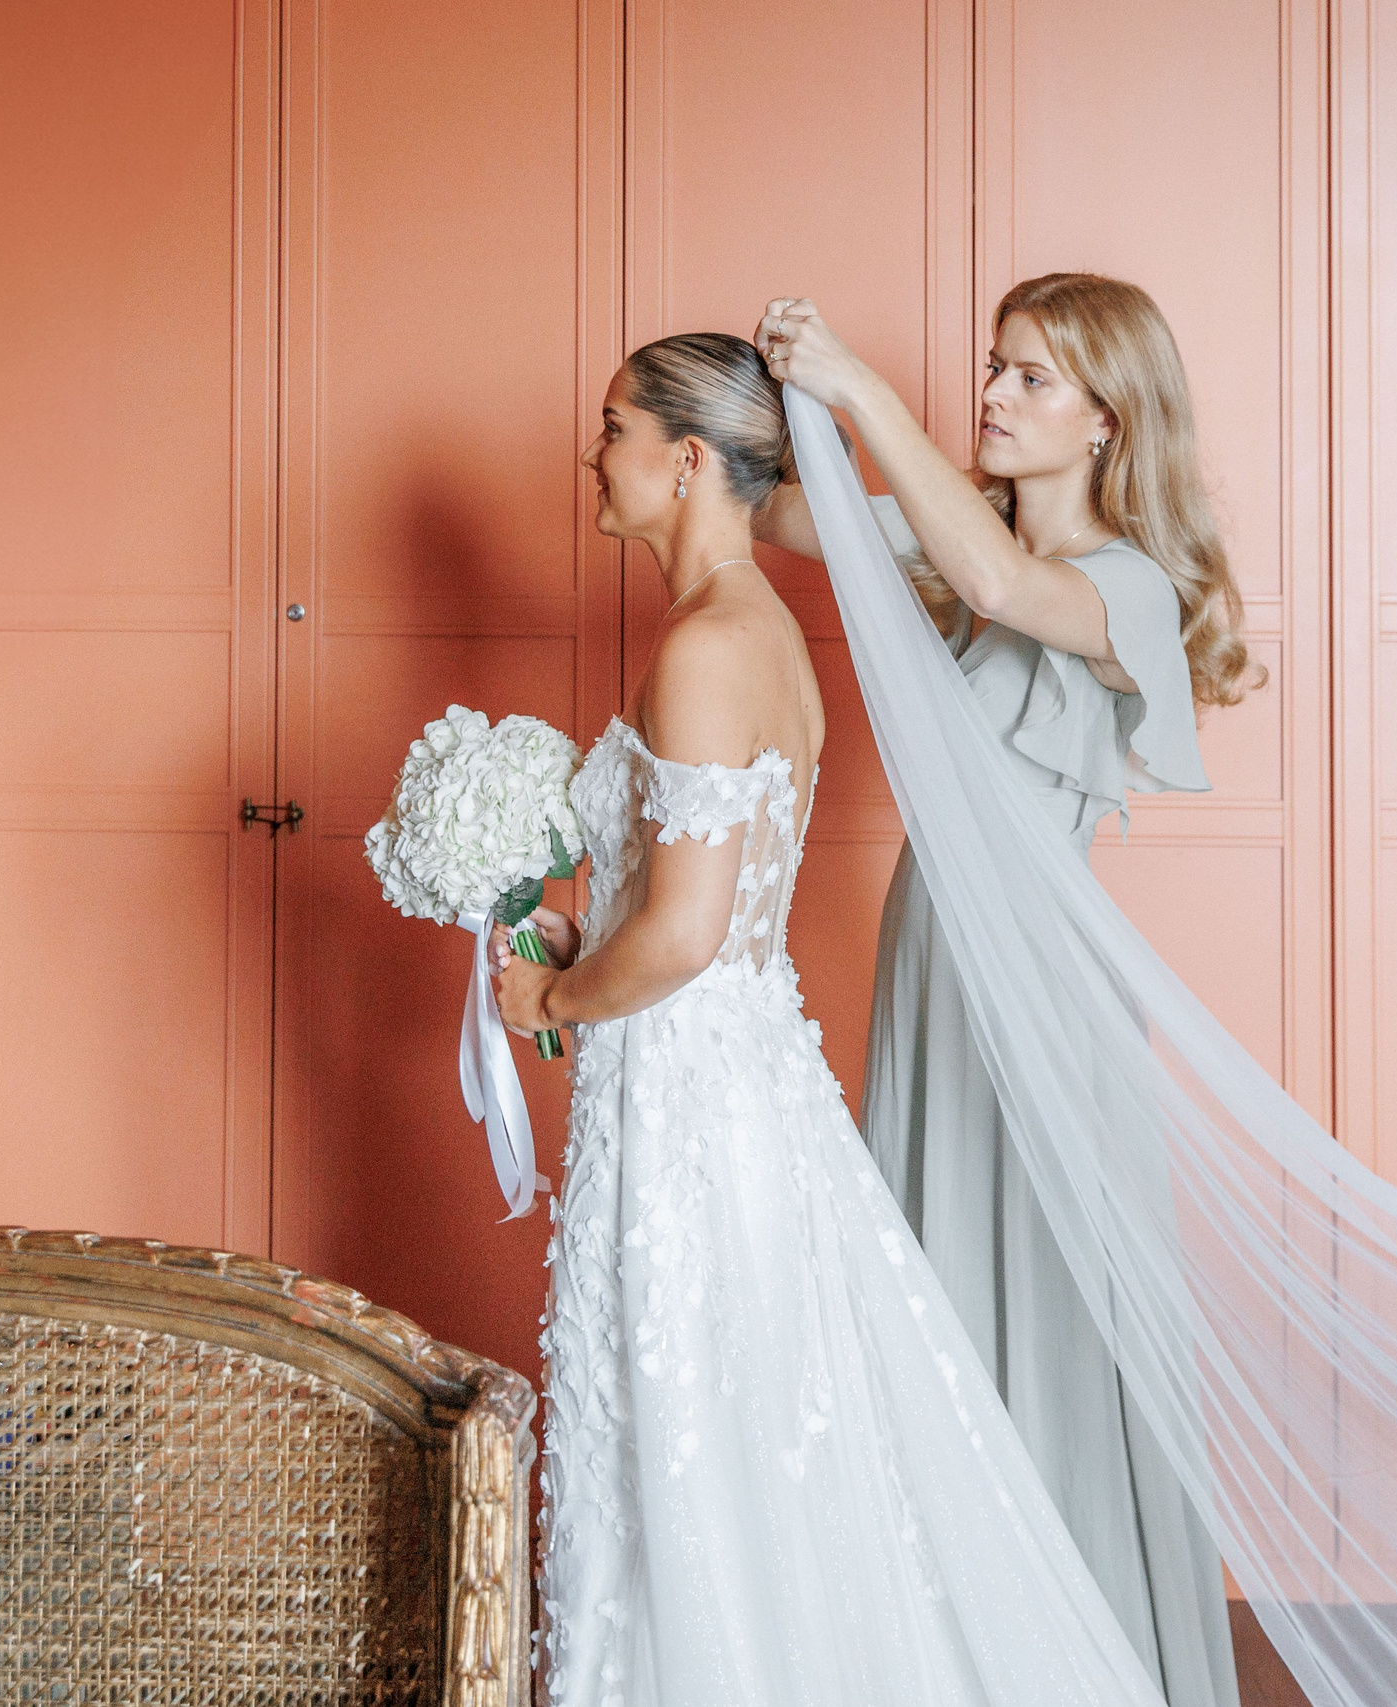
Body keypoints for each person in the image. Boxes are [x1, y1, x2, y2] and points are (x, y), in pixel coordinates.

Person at [491, 331, 1171, 1706]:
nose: (588, 456)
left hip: (733, 1070)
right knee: (750, 1408)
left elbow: (686, 934)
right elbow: (804, 521)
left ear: (683, 460)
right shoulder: (759, 629)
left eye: (614, 428)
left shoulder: (724, 643)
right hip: (737, 1062)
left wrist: (555, 995)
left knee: (704, 1409)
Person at [750, 274, 1259, 1707]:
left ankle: (1074, 1654)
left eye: (1032, 379)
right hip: (938, 970)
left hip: (1035, 995)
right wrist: (749, 396)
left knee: (1037, 1308)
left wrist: (859, 388)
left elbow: (997, 585)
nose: (993, 395)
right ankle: (954, 1650)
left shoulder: (1129, 588)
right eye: (995, 366)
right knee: (935, 1301)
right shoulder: (958, 539)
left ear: (1107, 421)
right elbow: (793, 517)